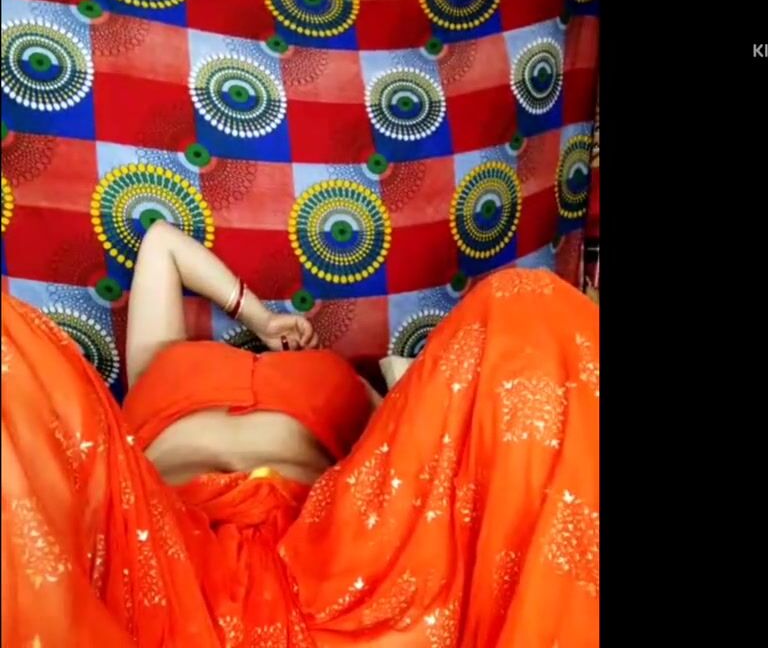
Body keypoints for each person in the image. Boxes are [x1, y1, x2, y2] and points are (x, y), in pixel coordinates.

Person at [1, 221, 599, 648]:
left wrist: (393, 381)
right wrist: (260, 317)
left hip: (325, 556)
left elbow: (429, 454)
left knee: (527, 302)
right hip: (162, 546)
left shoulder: (358, 389)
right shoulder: (156, 358)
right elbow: (162, 243)